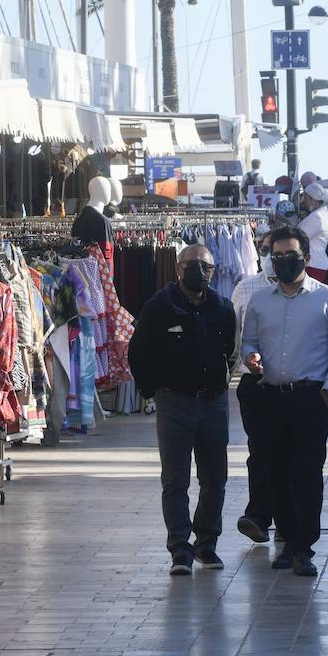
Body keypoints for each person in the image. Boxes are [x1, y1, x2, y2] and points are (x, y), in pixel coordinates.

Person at [240, 225, 328, 577]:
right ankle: (287, 539)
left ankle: (305, 545)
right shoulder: (259, 300)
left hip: (311, 397)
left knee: (307, 474)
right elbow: (248, 343)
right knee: (276, 473)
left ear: (305, 256)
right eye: (278, 257)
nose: (284, 262)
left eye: (291, 256)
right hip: (272, 397)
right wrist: (251, 358)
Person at [128, 244, 236, 576]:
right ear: (178, 269)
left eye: (205, 267)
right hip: (174, 403)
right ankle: (180, 548)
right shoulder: (160, 306)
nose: (198, 272)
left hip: (213, 403)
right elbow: (138, 352)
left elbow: (228, 350)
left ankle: (206, 543)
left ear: (213, 272)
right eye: (191, 265)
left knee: (214, 478)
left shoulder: (222, 308)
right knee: (175, 479)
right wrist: (152, 390)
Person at [233, 235, 280, 545]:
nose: (271, 258)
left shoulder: (318, 294)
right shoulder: (246, 288)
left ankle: (290, 520)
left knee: (292, 453)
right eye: (266, 251)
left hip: (295, 382)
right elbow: (233, 332)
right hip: (255, 381)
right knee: (259, 450)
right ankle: (259, 516)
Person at [298, 182, 328, 282]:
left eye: (305, 197)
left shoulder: (318, 217)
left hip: (313, 264)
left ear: (312, 199)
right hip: (314, 263)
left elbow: (299, 237)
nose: (303, 201)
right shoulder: (320, 214)